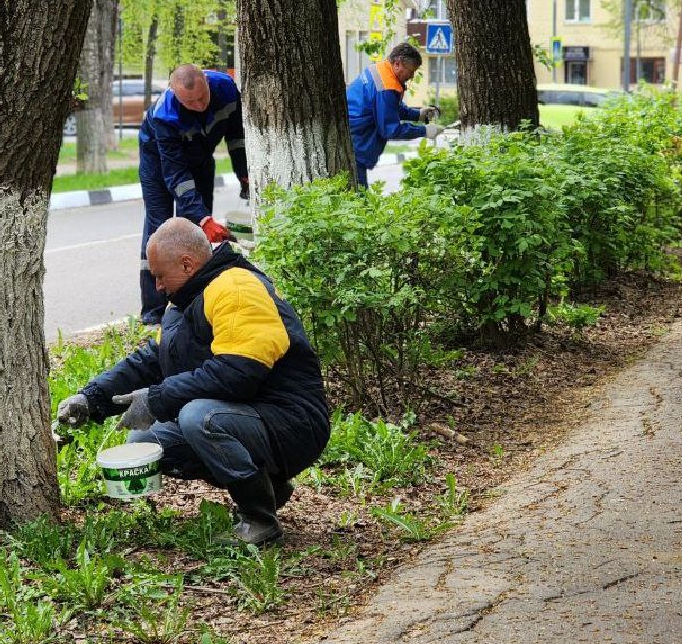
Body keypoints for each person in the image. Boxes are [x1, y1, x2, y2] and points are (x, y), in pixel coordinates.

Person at [57, 218, 329, 546]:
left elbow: (237, 375)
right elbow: (149, 363)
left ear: (187, 264)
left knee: (198, 417)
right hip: (249, 416)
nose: (156, 286)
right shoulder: (183, 303)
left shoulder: (236, 287)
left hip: (292, 422)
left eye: (159, 275)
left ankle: (260, 519)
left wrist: (158, 398)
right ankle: (267, 485)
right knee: (145, 440)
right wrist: (91, 398)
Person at [137, 64, 250, 324]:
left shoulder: (227, 89)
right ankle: (153, 312)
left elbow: (237, 138)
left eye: (202, 97)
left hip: (200, 157)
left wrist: (244, 174)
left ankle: (192, 301)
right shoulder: (164, 116)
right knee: (160, 229)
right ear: (175, 94)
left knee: (196, 235)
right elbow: (176, 176)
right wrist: (203, 218)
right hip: (159, 164)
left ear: (207, 83)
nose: (199, 105)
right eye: (190, 101)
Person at [346, 41, 442, 187]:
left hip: (353, 138)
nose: (411, 76)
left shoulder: (380, 69)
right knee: (359, 198)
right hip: (358, 142)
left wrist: (418, 114)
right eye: (411, 71)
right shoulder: (386, 88)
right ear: (397, 64)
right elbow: (391, 130)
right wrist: (424, 131)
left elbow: (390, 108)